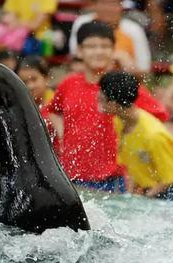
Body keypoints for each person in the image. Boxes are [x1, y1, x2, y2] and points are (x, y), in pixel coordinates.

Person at [44, 21, 125, 192]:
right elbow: (51, 111)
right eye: (92, 46)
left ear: (113, 50)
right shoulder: (69, 83)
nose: (99, 51)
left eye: (105, 46)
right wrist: (61, 132)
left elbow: (157, 116)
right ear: (79, 51)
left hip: (111, 180)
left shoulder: (122, 85)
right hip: (70, 177)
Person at [98, 71, 173, 202]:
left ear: (114, 105)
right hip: (156, 187)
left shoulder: (153, 135)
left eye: (101, 96)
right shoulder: (119, 121)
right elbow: (131, 165)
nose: (97, 97)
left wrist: (143, 199)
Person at [69, 0, 151, 75]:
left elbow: (145, 71)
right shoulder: (83, 23)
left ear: (121, 5)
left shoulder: (133, 29)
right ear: (94, 4)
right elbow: (75, 64)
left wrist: (128, 65)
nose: (108, 7)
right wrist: (111, 60)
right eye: (103, 2)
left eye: (113, 2)